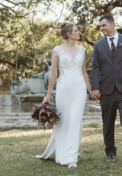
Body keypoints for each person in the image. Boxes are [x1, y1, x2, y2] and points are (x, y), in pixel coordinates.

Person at [36, 22, 92, 167]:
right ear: (68, 34)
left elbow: (84, 71)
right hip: (63, 89)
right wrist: (48, 95)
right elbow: (53, 74)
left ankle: (71, 156)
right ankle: (61, 151)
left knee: (76, 120)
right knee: (64, 121)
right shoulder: (57, 51)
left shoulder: (82, 49)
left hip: (79, 89)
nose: (79, 32)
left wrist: (90, 89)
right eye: (76, 30)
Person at [90, 14, 122, 163]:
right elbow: (95, 67)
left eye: (103, 25)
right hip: (106, 90)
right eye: (100, 26)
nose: (101, 28)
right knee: (108, 122)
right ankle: (110, 153)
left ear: (112, 24)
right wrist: (95, 87)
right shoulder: (98, 45)